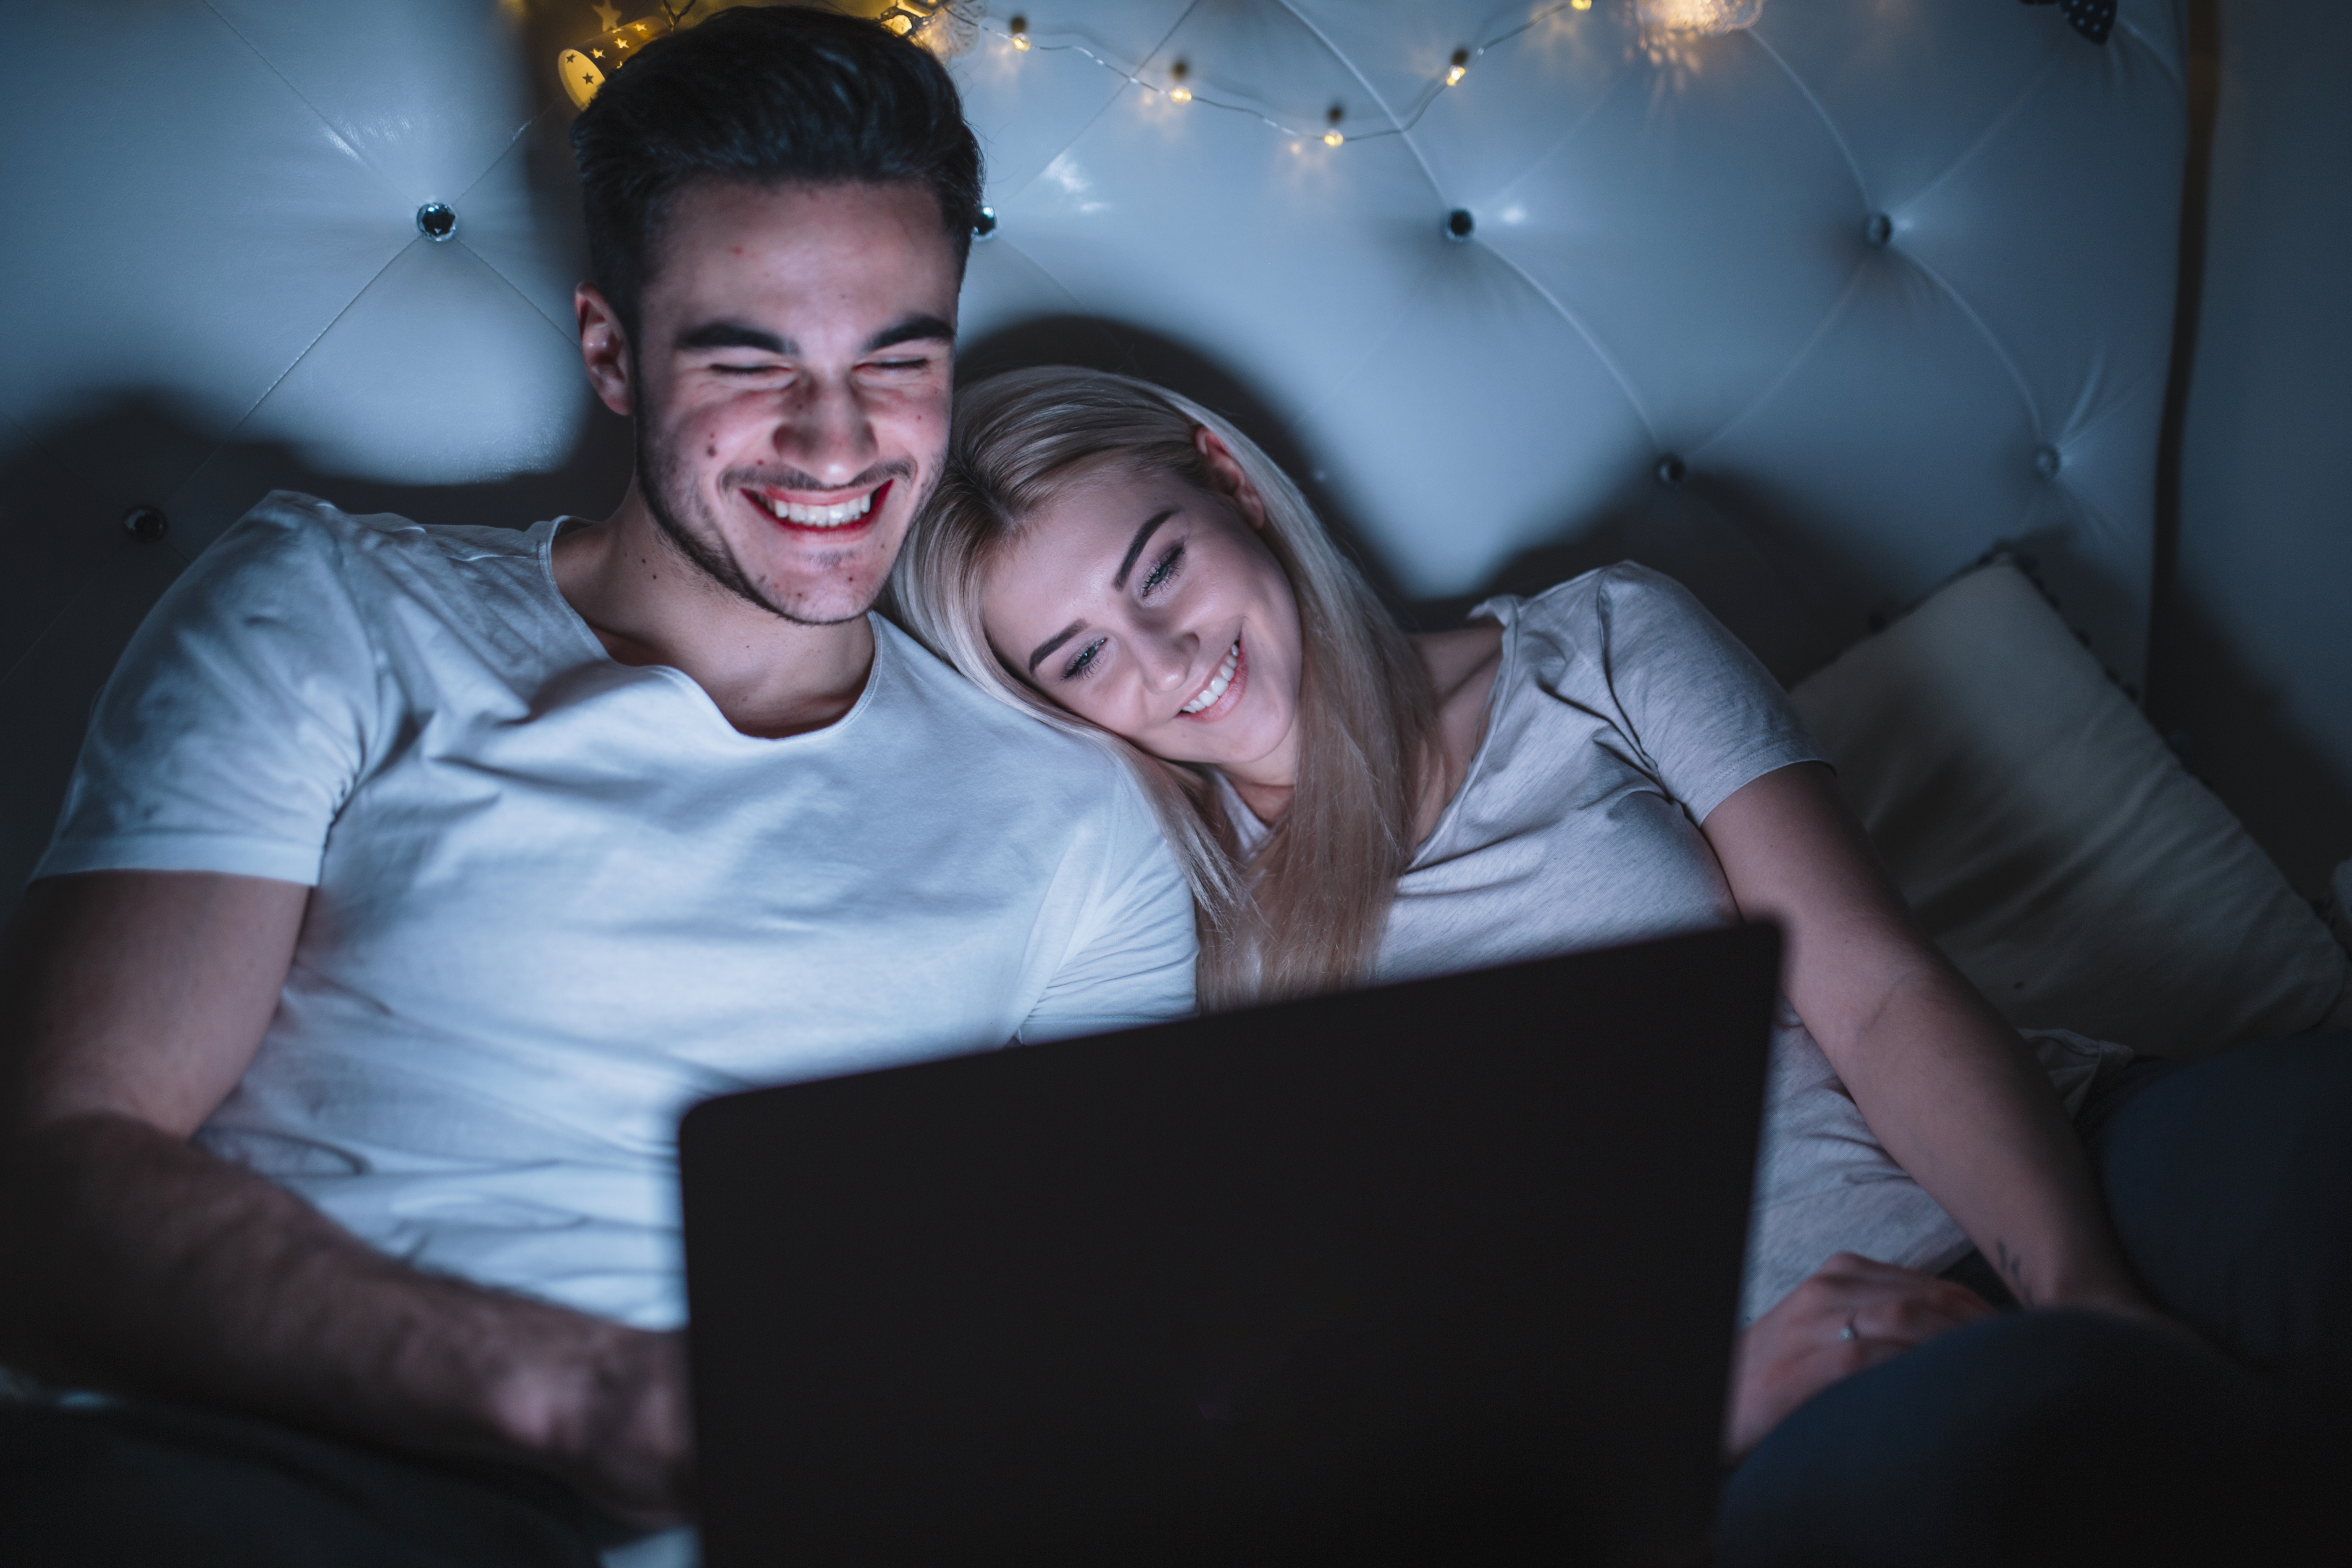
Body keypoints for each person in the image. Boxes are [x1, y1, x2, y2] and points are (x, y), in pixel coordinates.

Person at [0, 16, 1196, 1567]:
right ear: (612, 352)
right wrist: (580, 1400)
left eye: (899, 361)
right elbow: (49, 1198)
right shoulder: (336, 609)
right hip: (292, 1477)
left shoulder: (1079, 827)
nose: (838, 442)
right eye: (749, 360)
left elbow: (1097, 1328)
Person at [892, 365, 2352, 1563]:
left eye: (1159, 568)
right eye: (1080, 660)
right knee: (2007, 1459)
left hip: (2049, 1156)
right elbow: (1352, 1400)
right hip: (1756, 1404)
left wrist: (2086, 1286)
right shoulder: (1167, 957)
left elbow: (1873, 983)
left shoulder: (1593, 641)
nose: (1163, 657)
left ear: (1228, 480)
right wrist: (1712, 1406)